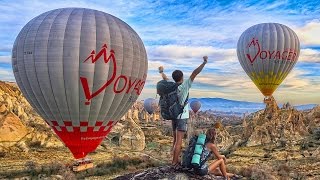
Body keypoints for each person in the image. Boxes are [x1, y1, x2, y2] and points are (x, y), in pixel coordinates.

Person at [159, 56, 208, 167]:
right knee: (179, 141)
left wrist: (161, 72)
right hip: (182, 116)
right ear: (181, 77)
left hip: (173, 115)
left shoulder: (171, 86)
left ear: (174, 78)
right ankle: (175, 162)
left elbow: (165, 79)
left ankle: (173, 159)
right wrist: (204, 62)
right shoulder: (184, 86)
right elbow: (195, 73)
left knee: (175, 139)